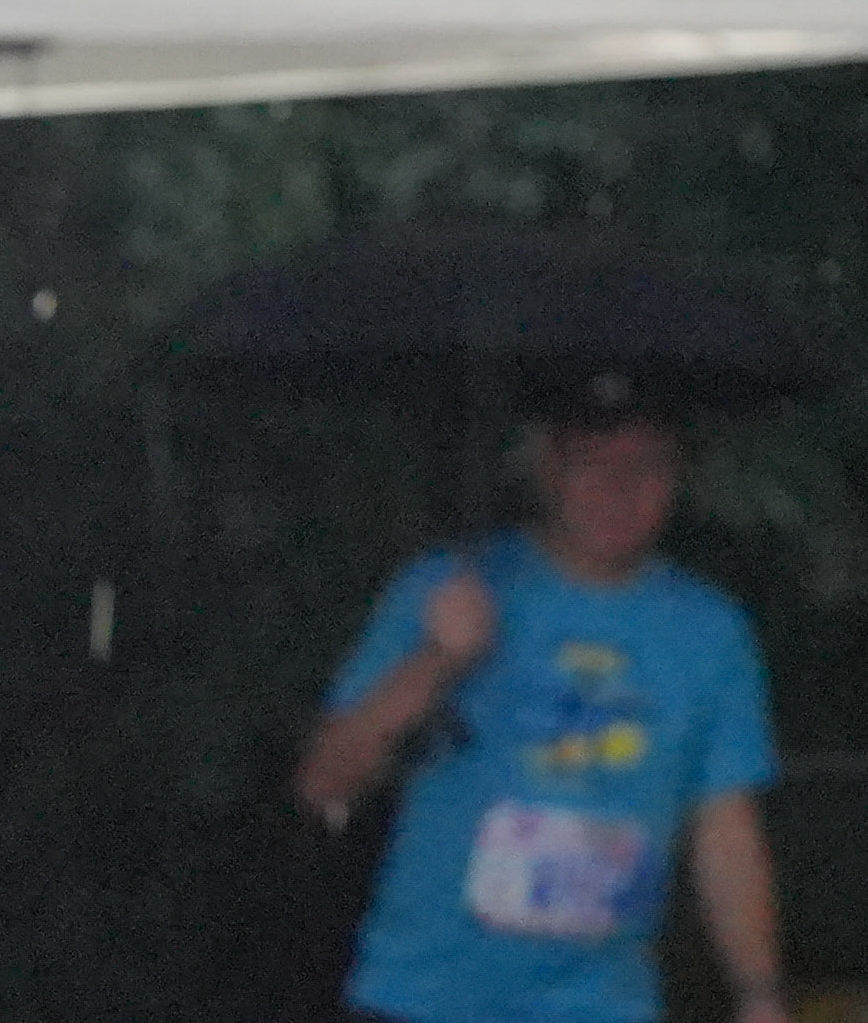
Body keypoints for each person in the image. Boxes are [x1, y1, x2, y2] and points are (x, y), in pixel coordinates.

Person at [291, 368, 788, 1023]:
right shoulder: (450, 587)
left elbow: (725, 827)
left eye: (646, 466)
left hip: (598, 1005)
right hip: (422, 997)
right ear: (547, 469)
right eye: (592, 464)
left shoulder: (710, 633)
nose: (619, 489)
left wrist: (759, 995)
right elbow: (323, 783)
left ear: (677, 478)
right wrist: (436, 661)